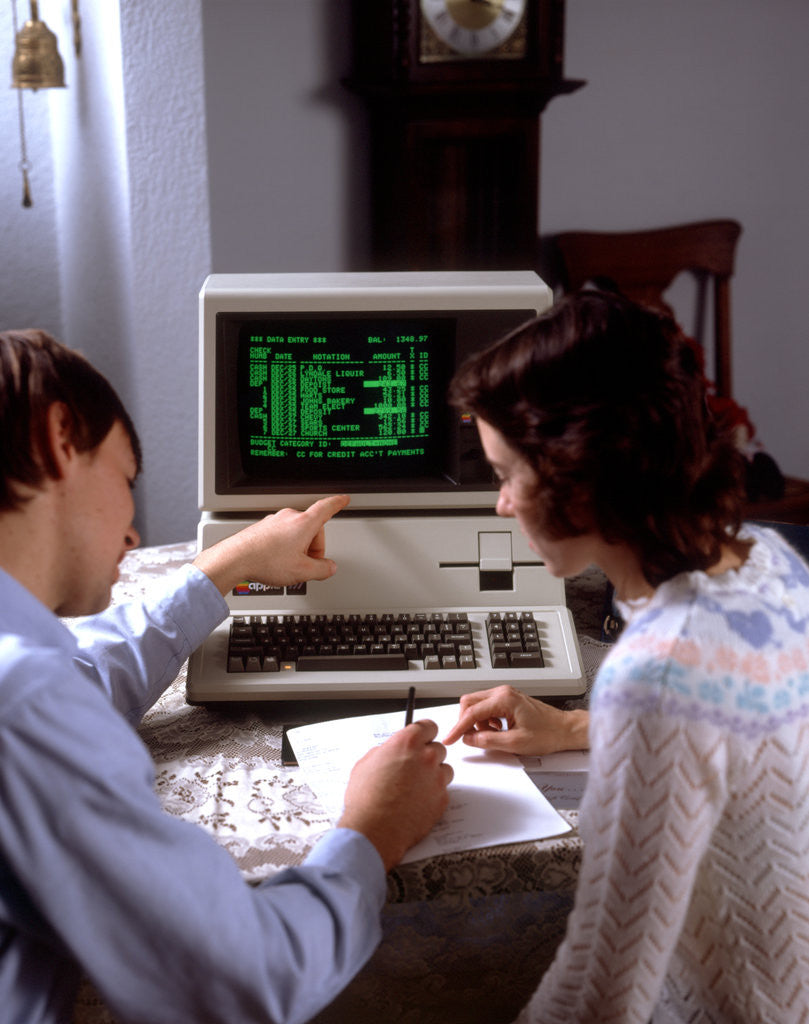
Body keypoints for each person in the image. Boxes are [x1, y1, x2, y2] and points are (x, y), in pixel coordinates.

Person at [0, 328, 453, 1024]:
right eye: (125, 478)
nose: (132, 533)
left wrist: (225, 565)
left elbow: (79, 676)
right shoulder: (24, 701)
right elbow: (244, 980)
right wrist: (375, 827)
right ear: (60, 437)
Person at [442, 290, 809, 1023]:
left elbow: (600, 993)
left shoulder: (656, 674)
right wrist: (573, 728)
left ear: (578, 477)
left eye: (507, 476)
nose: (501, 506)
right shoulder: (768, 560)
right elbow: (734, 725)